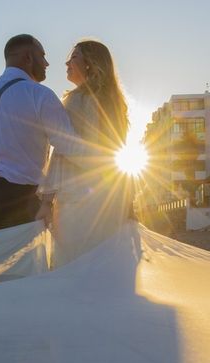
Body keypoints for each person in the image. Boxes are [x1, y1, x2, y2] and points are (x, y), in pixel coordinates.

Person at [0, 34, 86, 235]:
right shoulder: (40, 94)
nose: (47, 63)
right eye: (42, 56)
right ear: (28, 58)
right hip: (23, 200)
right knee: (26, 265)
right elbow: (68, 146)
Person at [40, 40, 134, 267]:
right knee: (103, 268)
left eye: (74, 57)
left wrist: (46, 199)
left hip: (76, 199)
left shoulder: (76, 100)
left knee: (72, 268)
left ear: (90, 64)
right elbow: (118, 156)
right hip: (109, 199)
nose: (66, 62)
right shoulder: (115, 103)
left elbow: (63, 150)